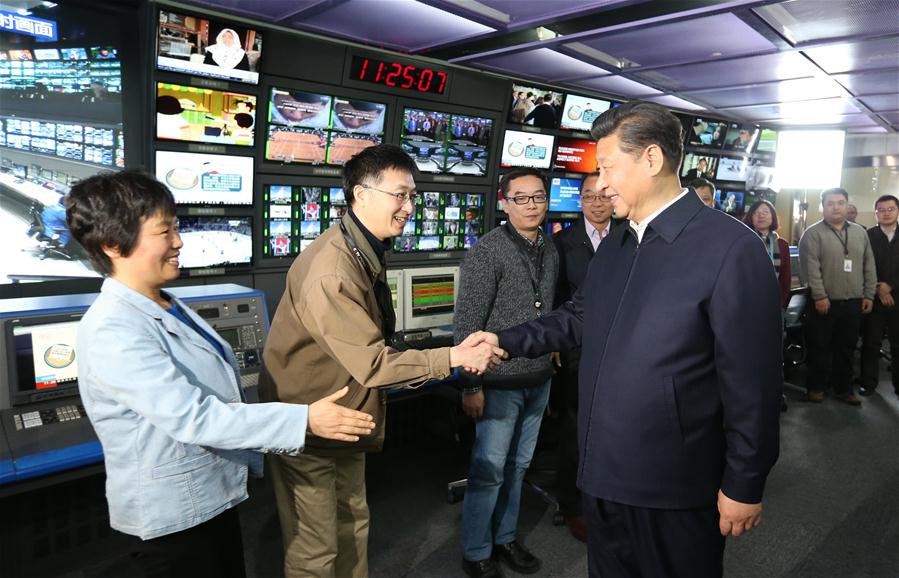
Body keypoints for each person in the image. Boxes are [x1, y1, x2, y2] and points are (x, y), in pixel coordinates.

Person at [465, 101, 783, 578]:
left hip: (673, 485)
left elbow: (754, 385)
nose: (602, 183)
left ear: (651, 160)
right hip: (604, 473)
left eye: (609, 167)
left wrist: (745, 482)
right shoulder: (620, 241)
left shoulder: (732, 249)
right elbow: (578, 316)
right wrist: (503, 340)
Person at [64, 170, 376, 577]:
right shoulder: (113, 327)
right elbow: (194, 416)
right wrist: (305, 418)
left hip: (209, 496)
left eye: (176, 228)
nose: (178, 242)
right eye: (164, 231)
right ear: (112, 244)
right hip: (173, 514)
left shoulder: (164, 303)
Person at [259, 144, 503, 578]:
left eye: (413, 196)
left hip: (346, 417)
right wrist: (454, 355)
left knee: (352, 524)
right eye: (400, 195)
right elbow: (373, 364)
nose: (409, 207)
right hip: (311, 422)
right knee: (315, 547)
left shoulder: (362, 248)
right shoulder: (332, 268)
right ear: (360, 194)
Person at [455, 167, 559, 578]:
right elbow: (466, 325)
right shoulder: (488, 251)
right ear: (505, 203)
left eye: (538, 197)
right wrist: (471, 384)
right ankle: (477, 550)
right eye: (521, 198)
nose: (531, 205)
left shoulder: (549, 249)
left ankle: (505, 539)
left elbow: (547, 312)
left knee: (518, 467)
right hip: (497, 383)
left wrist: (551, 353)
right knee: (489, 470)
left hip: (538, 380)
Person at [549, 171, 614, 542]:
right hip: (577, 349)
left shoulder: (627, 236)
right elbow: (555, 297)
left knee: (608, 428)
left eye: (603, 196)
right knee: (575, 430)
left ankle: (604, 499)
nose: (596, 202)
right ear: (580, 201)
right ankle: (572, 505)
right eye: (588, 196)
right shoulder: (561, 244)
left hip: (617, 346)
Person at [799, 187, 876, 405]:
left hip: (853, 301)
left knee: (847, 347)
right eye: (831, 203)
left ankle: (843, 389)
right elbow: (810, 269)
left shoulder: (860, 233)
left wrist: (869, 294)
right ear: (823, 206)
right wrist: (820, 296)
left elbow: (868, 264)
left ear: (847, 204)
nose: (836, 207)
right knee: (819, 347)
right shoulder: (812, 234)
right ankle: (816, 388)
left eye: (840, 202)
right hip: (824, 302)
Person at [859, 194, 899, 397]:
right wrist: (877, 287)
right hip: (873, 296)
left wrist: (890, 287)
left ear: (897, 210)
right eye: (881, 210)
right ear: (875, 213)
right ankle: (868, 383)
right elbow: (863, 264)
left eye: (890, 209)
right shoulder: (867, 235)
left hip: (897, 297)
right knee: (871, 342)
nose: (886, 213)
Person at [745, 200, 791, 307]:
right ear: (751, 218)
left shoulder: (782, 244)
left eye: (765, 212)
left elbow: (785, 277)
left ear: (773, 216)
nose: (761, 215)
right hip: (747, 301)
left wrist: (781, 302)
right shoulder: (744, 242)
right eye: (756, 213)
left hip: (774, 301)